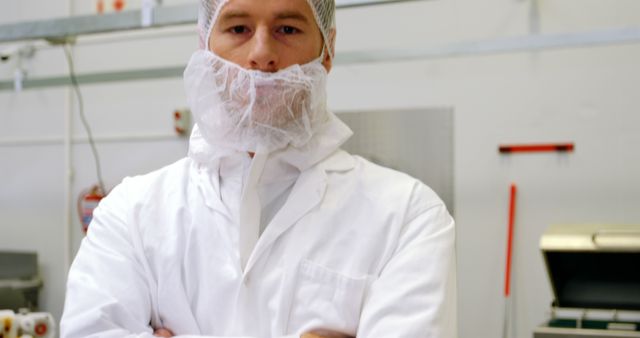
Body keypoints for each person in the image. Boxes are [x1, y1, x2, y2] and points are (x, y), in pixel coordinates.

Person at [60, 0, 457, 337]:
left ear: (328, 49)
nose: (262, 53)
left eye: (287, 27)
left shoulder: (408, 216)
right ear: (205, 46)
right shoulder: (130, 215)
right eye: (238, 28)